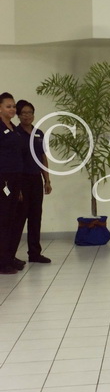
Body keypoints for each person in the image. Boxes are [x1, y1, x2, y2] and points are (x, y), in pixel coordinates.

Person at [14, 100, 52, 264]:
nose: (27, 116)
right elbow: (14, 160)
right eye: (23, 113)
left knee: (36, 217)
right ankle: (10, 255)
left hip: (36, 179)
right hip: (21, 180)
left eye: (30, 112)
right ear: (18, 115)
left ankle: (35, 253)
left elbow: (43, 157)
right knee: (19, 218)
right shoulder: (15, 134)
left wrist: (47, 180)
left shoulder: (39, 133)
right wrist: (17, 187)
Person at [0, 92, 24, 274]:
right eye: (8, 106)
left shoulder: (14, 128)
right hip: (3, 178)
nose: (12, 109)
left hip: (16, 177)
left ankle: (9, 257)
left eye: (14, 106)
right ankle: (2, 262)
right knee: (4, 219)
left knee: (13, 219)